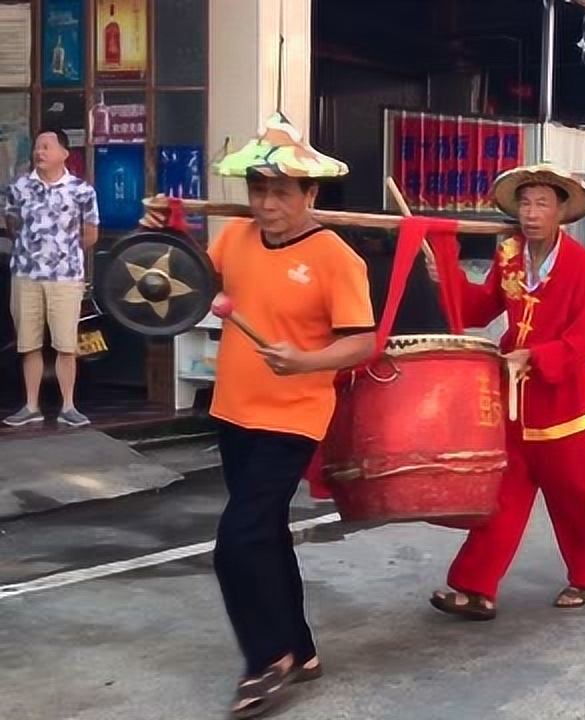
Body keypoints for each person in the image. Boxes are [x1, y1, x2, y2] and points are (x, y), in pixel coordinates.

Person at [142, 114, 376, 718]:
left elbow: (361, 342)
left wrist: (304, 361)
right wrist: (163, 238)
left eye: (281, 192)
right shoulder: (237, 238)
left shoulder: (336, 258)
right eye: (258, 190)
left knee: (237, 541)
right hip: (234, 409)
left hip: (295, 414)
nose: (267, 204)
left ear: (310, 194)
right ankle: (301, 649)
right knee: (266, 532)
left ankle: (266, 659)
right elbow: (190, 281)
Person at [427, 164, 585, 619]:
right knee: (501, 496)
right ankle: (475, 586)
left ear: (562, 211)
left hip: (564, 403)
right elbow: (482, 306)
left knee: (574, 497)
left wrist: (533, 356)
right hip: (512, 401)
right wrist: (445, 272)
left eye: (542, 203)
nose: (531, 213)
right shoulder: (509, 255)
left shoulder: (583, 266)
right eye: (525, 203)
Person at [4, 128, 99, 428]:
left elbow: (91, 234)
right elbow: (11, 225)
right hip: (25, 274)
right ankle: (30, 405)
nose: (39, 152)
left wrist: (61, 251)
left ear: (64, 154)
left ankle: (68, 406)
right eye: (37, 147)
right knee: (28, 343)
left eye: (46, 147)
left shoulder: (81, 191)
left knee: (65, 344)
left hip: (65, 276)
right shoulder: (18, 188)